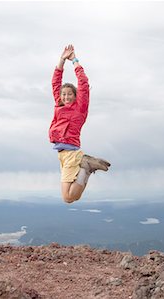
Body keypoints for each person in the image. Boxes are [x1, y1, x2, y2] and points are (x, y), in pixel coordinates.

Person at [49, 44, 110, 204]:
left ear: (76, 96)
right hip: (63, 155)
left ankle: (87, 166)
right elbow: (56, 82)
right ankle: (87, 167)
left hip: (71, 154)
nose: (66, 97)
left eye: (70, 94)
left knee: (67, 198)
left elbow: (83, 82)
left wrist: (74, 60)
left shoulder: (79, 108)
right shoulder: (59, 105)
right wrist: (61, 60)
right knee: (73, 197)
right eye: (63, 94)